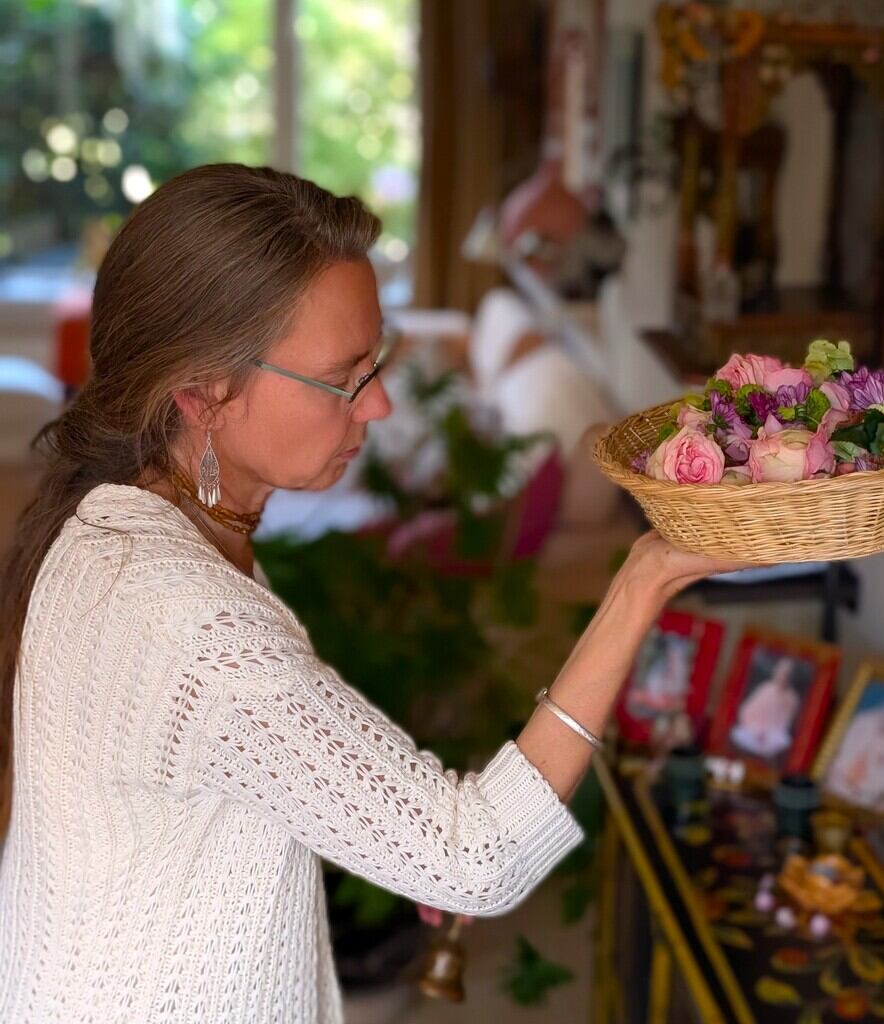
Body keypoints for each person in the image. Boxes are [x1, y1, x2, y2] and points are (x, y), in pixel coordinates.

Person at [0, 164, 745, 1024]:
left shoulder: (122, 525)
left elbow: (217, 778)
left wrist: (378, 826)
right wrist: (644, 576)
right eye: (345, 377)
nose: (380, 403)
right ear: (202, 393)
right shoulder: (189, 621)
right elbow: (476, 858)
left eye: (377, 362)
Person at [729, 656, 801, 760]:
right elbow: (747, 710)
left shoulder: (792, 698)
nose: (782, 676)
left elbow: (786, 724)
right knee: (737, 734)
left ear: (791, 677)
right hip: (753, 730)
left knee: (783, 741)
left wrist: (767, 732)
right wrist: (756, 728)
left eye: (786, 674)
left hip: (773, 735)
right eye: (780, 671)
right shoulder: (765, 688)